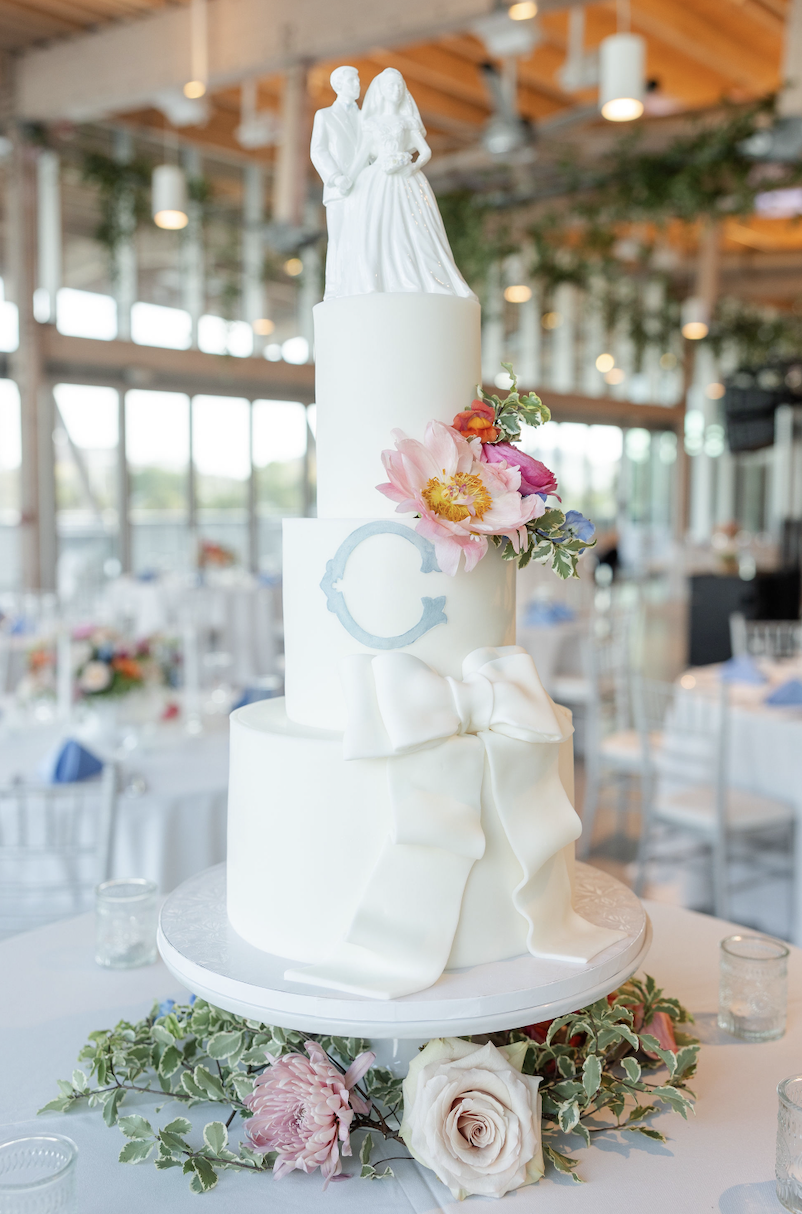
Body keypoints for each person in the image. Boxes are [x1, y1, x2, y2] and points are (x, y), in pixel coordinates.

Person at [328, 67, 475, 300]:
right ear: (381, 91)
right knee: (377, 227)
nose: (395, 90)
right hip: (377, 181)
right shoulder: (372, 123)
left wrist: (411, 165)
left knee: (413, 228)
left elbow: (425, 151)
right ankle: (378, 278)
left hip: (406, 181)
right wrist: (346, 178)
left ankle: (414, 277)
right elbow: (361, 157)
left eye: (399, 86)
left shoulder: (407, 122)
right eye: (390, 86)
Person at [309, 65, 361, 300]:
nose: (357, 85)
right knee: (339, 239)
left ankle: (360, 284)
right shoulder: (325, 115)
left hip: (364, 188)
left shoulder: (364, 117)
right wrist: (335, 177)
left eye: (358, 80)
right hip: (339, 190)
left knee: (363, 238)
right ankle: (335, 288)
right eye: (352, 81)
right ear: (338, 85)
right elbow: (318, 151)